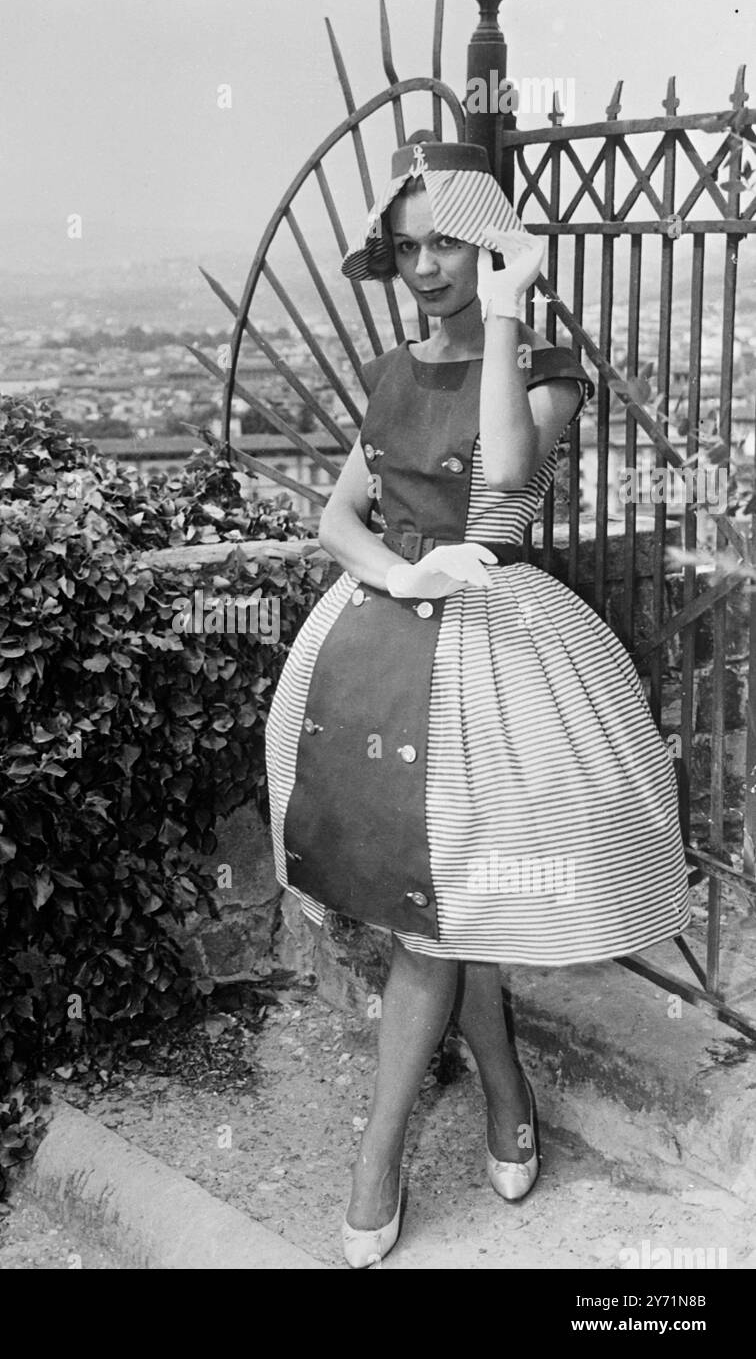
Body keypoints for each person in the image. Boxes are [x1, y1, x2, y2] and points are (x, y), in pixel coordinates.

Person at [264, 137, 691, 1268]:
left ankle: (379, 1154)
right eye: (406, 247)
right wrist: (396, 572)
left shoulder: (544, 365)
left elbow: (503, 477)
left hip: (495, 661)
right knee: (438, 905)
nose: (425, 266)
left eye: (446, 240)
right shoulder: (394, 368)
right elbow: (336, 519)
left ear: (490, 241)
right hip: (377, 652)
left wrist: (505, 314)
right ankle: (503, 1086)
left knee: (438, 907)